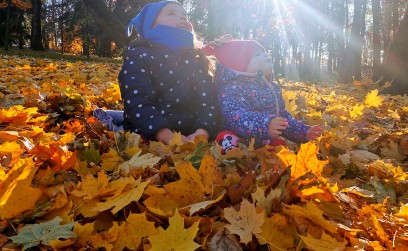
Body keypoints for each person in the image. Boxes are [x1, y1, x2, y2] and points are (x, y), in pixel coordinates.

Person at [94, 0, 219, 145]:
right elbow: (138, 100)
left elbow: (207, 101)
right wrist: (164, 134)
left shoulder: (196, 59)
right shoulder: (140, 56)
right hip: (148, 134)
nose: (183, 18)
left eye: (185, 16)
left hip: (190, 135)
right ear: (151, 25)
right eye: (172, 13)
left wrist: (202, 132)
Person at [203, 37, 322, 153]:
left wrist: (304, 132)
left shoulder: (272, 88)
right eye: (257, 54)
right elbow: (236, 116)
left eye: (264, 52)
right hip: (239, 137)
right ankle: (235, 159)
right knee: (226, 139)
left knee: (280, 147)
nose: (265, 55)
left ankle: (268, 160)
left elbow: (283, 118)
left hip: (263, 139)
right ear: (240, 67)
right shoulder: (231, 88)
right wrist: (266, 124)